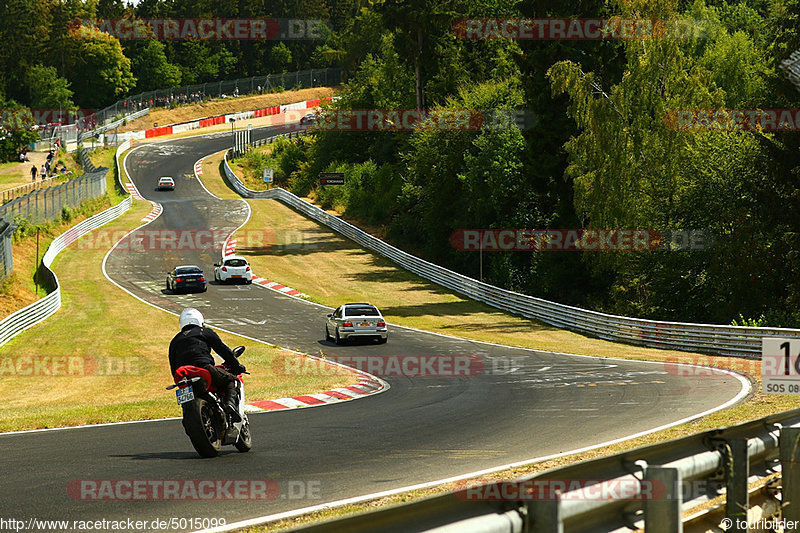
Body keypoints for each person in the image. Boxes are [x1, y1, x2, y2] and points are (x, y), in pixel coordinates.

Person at [168, 308, 245, 421]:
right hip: (203, 368)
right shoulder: (204, 332)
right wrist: (236, 366)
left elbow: (172, 363)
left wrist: (177, 378)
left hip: (182, 375)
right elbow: (223, 350)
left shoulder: (175, 340)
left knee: (185, 401)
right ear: (200, 321)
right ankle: (230, 405)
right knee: (232, 380)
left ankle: (189, 415)